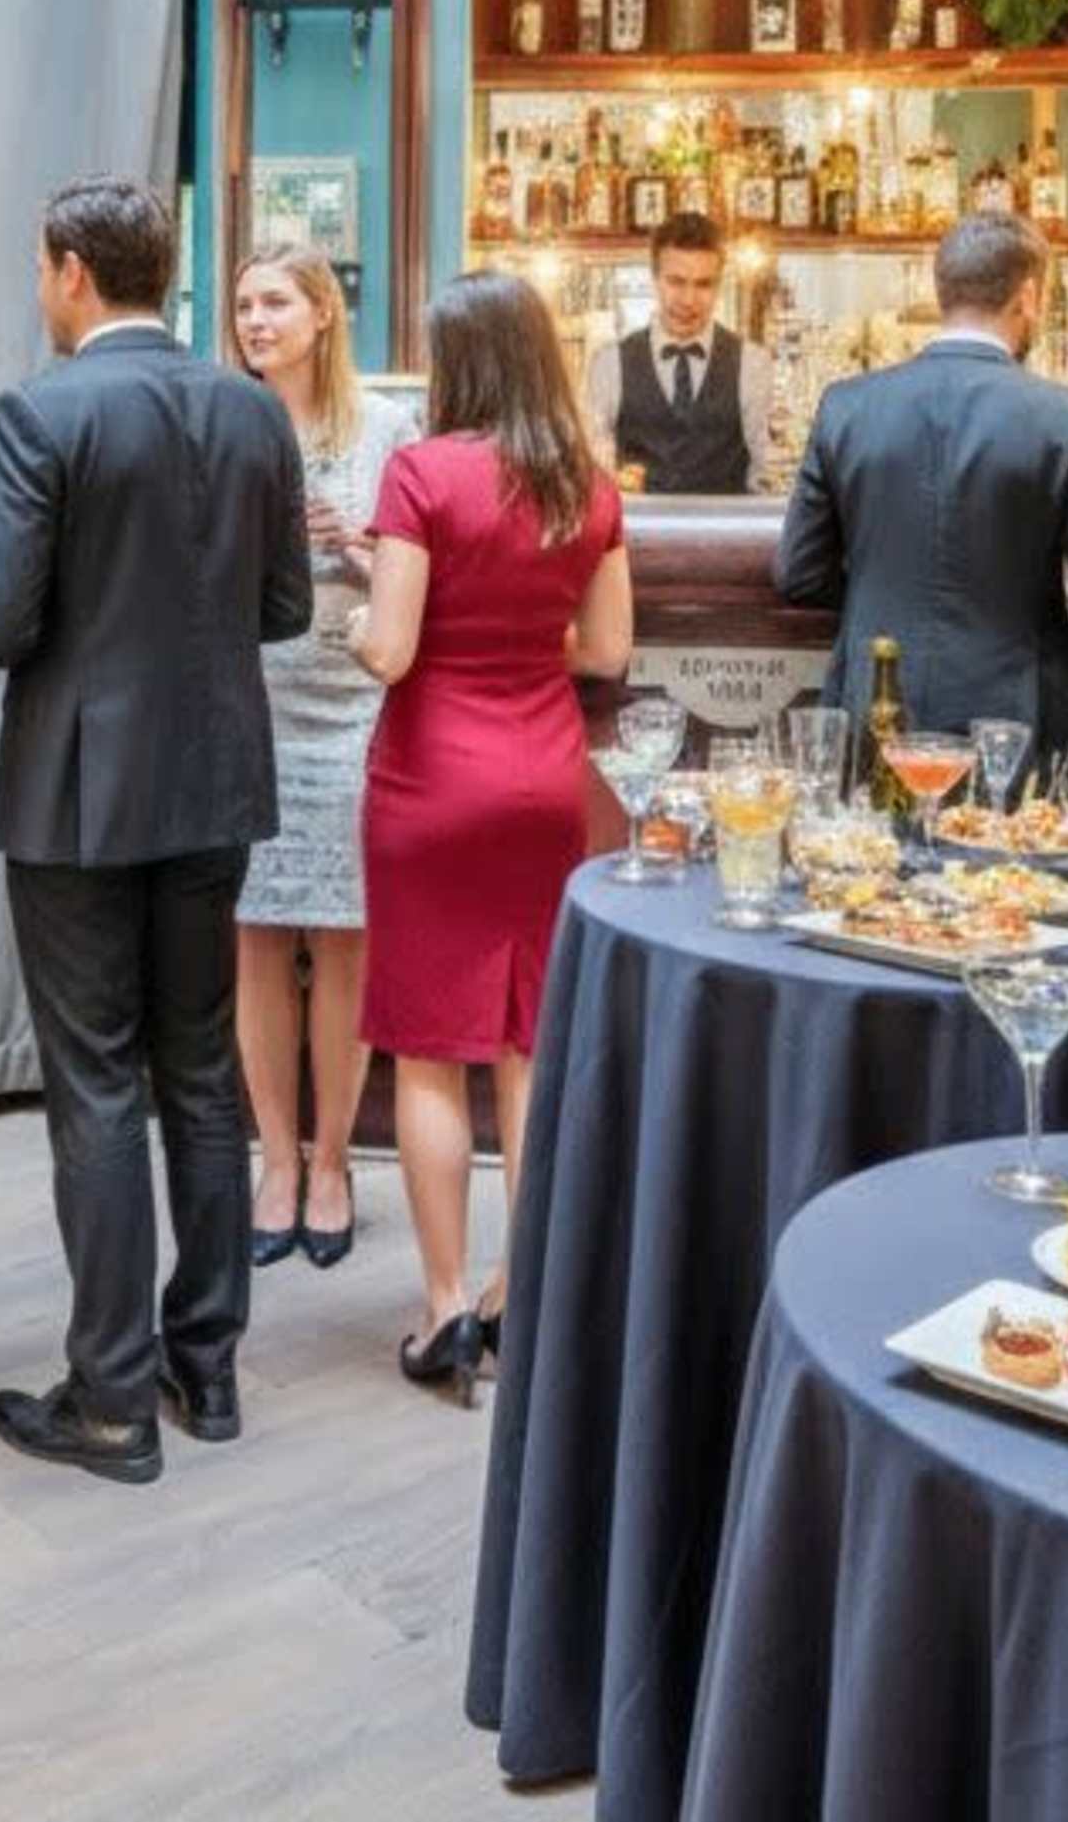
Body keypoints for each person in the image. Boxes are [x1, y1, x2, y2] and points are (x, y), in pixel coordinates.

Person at [0, 179, 313, 1482]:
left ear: (68, 272)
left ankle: (108, 1394)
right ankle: (205, 1369)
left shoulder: (39, 412)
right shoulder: (248, 407)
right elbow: (283, 608)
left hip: (78, 791)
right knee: (201, 1070)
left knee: (97, 1078)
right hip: (214, 778)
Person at [355, 272, 634, 1397]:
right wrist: (522, 642)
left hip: (431, 778)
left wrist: (362, 623)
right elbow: (607, 651)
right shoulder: (587, 486)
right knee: (526, 1044)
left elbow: (389, 649)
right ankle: (522, 1294)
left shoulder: (422, 474)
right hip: (544, 775)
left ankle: (441, 1306)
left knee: (430, 1051)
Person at [774, 212, 1068, 768]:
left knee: (870, 854)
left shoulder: (846, 406)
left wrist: (881, 598)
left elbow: (800, 574)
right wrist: (1066, 686)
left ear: (939, 289)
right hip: (1019, 719)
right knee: (1006, 858)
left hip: (876, 698)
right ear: (1029, 295)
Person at [226, 245, 418, 1271]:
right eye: (245, 305)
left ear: (323, 315)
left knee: (343, 937)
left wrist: (355, 545)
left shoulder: (388, 430)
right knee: (257, 934)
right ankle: (276, 1161)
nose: (256, 321)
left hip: (352, 707)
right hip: (249, 705)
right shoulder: (227, 419)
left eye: (275, 303)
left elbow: (419, 573)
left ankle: (335, 1160)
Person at [578, 211, 783, 495]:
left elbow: (765, 474)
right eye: (676, 282)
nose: (688, 300)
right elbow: (594, 471)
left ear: (719, 285)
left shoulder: (753, 363)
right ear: (654, 279)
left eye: (703, 284)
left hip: (726, 536)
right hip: (637, 535)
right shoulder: (609, 363)